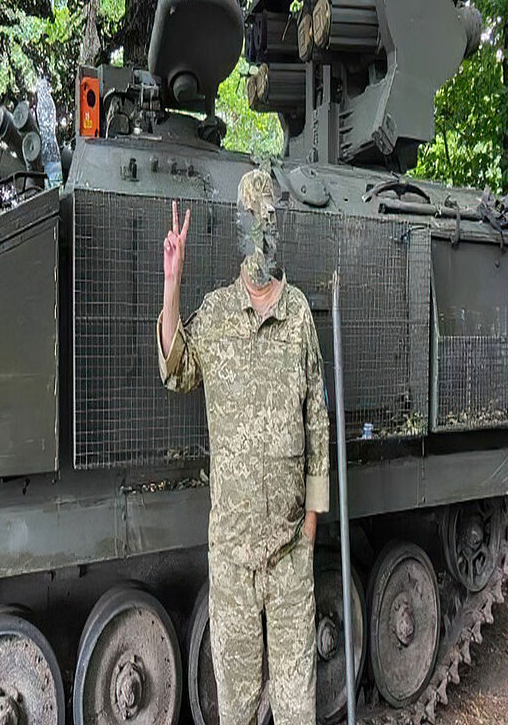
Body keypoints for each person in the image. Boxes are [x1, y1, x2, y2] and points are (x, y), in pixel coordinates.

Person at [157, 169, 330, 724]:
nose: (261, 234)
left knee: (297, 704)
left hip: (288, 557)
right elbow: (176, 370)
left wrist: (309, 525)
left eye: (269, 222)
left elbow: (317, 420)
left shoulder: (298, 312)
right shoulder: (214, 314)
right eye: (251, 223)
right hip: (231, 560)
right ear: (238, 231)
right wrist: (172, 283)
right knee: (235, 705)